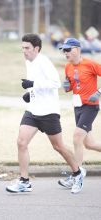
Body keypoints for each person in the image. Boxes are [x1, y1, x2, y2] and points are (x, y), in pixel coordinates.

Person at [6, 33, 84, 194]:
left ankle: (78, 173)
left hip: (48, 112)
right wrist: (31, 93)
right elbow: (36, 84)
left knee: (58, 146)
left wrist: (33, 84)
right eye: (23, 48)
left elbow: (55, 83)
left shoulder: (44, 62)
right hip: (33, 110)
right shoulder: (29, 61)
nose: (24, 51)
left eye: (27, 48)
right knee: (21, 142)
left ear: (37, 48)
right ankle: (24, 182)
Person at [58, 37, 101, 189]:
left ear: (76, 49)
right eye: (63, 50)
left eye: (68, 49)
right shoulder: (67, 67)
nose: (65, 52)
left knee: (77, 138)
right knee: (89, 144)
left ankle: (77, 175)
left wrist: (99, 92)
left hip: (91, 107)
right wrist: (66, 87)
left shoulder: (90, 64)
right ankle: (76, 175)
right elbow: (71, 87)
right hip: (77, 107)